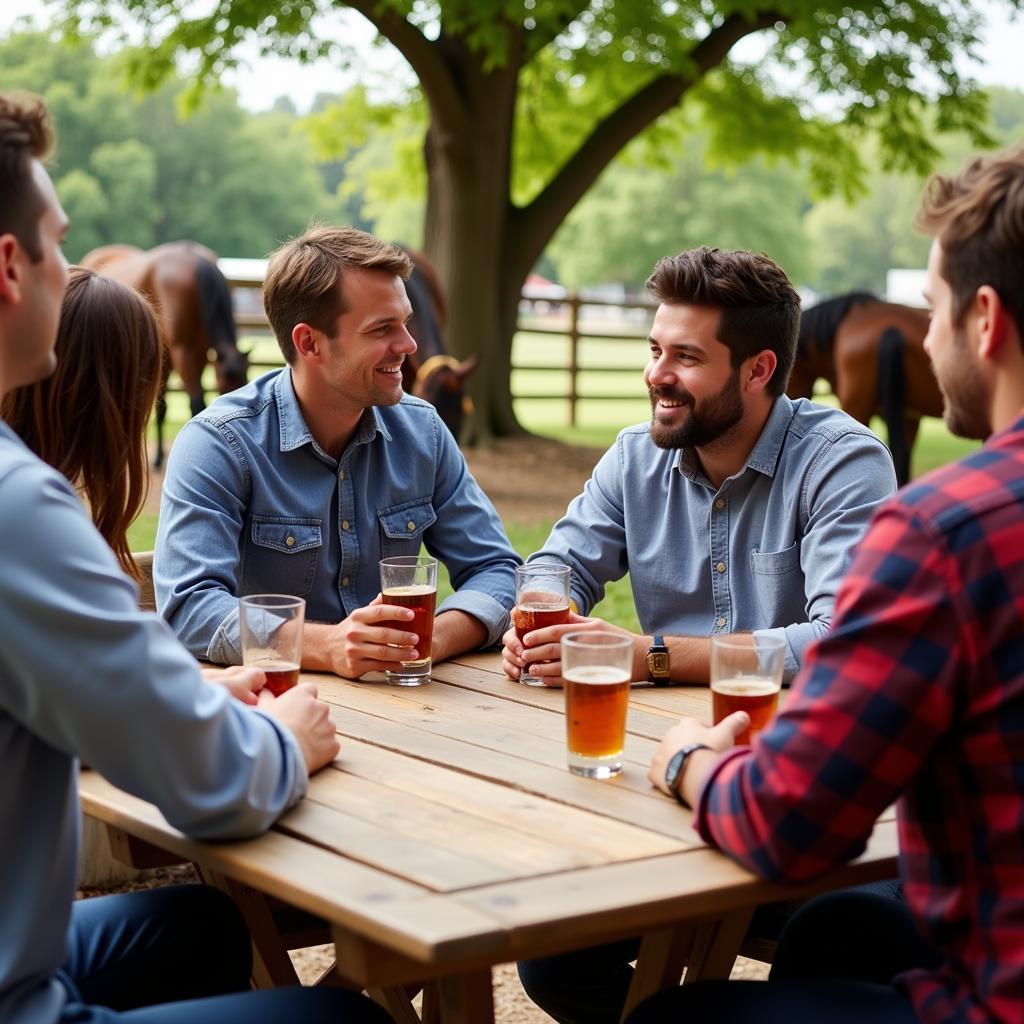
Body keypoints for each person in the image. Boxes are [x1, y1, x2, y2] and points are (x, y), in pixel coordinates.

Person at [0, 91, 391, 1024]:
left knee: (200, 931)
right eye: (61, 245)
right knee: (344, 1017)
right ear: (11, 267)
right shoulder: (18, 507)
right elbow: (213, 788)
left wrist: (194, 696)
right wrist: (286, 743)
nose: (74, 272)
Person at [631, 144, 1024, 1023]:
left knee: (669, 1017)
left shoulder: (948, 532)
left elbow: (791, 825)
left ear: (985, 320)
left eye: (933, 311)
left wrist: (688, 758)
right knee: (840, 934)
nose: (924, 339)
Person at [503, 246, 897, 689]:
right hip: (654, 729)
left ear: (757, 371)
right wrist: (544, 613)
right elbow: (559, 566)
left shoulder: (842, 462)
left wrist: (649, 656)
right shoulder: (635, 458)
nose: (656, 374)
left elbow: (843, 640)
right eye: (656, 350)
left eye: (685, 357)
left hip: (792, 734)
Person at [154, 225, 519, 677]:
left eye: (405, 322)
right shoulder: (220, 442)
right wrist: (326, 645)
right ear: (310, 343)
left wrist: (429, 638)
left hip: (410, 710)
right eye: (383, 328)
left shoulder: (422, 430)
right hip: (276, 713)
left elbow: (498, 569)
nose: (409, 346)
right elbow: (189, 609)